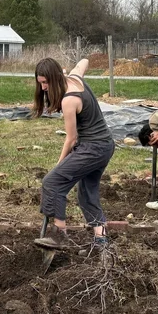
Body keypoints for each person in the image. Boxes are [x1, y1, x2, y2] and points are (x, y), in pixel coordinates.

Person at [31, 57, 115, 253]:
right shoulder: (75, 78)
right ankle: (102, 245)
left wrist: (59, 166)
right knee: (87, 195)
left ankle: (59, 235)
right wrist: (69, 72)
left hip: (92, 148)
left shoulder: (69, 99)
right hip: (105, 146)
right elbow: (85, 61)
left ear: (55, 78)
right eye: (40, 82)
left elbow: (71, 138)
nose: (43, 88)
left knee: (52, 182)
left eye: (45, 82)